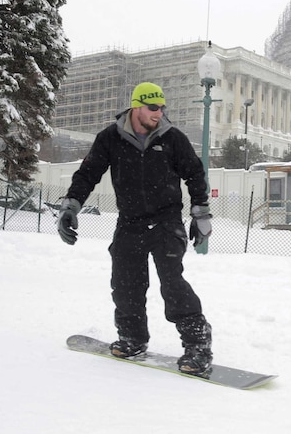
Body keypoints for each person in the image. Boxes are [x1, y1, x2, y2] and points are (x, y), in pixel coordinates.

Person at [56, 82, 214, 375]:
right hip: (129, 221)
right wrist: (71, 206)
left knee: (172, 283)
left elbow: (195, 173)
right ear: (137, 106)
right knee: (126, 283)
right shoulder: (110, 138)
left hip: (166, 221)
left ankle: (198, 346)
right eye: (153, 107)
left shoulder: (172, 138)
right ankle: (132, 338)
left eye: (162, 108)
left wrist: (201, 213)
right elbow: (88, 173)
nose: (159, 113)